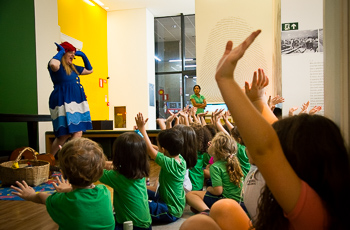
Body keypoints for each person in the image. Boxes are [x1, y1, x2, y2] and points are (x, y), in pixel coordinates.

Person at [181, 30, 350, 229]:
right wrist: (258, 101)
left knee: (197, 224)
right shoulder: (303, 186)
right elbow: (274, 134)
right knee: (219, 210)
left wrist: (225, 80)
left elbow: (267, 147)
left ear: (295, 160)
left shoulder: (312, 213)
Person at [11, 137, 115, 229]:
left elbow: (43, 197)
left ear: (63, 173)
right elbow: (84, 194)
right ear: (100, 171)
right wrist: (66, 189)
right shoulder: (104, 192)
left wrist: (31, 195)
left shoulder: (63, 200)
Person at [135, 113, 187, 223]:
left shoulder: (170, 163)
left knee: (138, 207)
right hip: (170, 203)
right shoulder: (180, 159)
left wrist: (142, 129)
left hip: (169, 211)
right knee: (140, 190)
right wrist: (140, 134)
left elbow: (151, 151)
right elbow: (156, 148)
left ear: (163, 149)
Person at [48, 41, 93, 156]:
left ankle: (71, 158)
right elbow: (53, 64)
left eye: (74, 54)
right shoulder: (57, 66)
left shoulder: (72, 68)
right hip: (62, 101)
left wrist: (83, 55)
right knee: (63, 134)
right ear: (64, 53)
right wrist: (61, 52)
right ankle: (49, 159)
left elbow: (90, 70)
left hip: (76, 102)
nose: (73, 56)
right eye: (70, 53)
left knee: (78, 132)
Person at [99, 132, 152, 230]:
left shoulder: (117, 177)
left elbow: (93, 170)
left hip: (132, 227)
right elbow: (113, 166)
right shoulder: (139, 173)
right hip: (147, 226)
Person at [186, 132, 244, 214]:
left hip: (227, 201)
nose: (209, 144)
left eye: (211, 143)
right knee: (195, 205)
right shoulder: (234, 162)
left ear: (216, 151)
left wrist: (209, 189)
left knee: (190, 195)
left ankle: (207, 212)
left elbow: (218, 191)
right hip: (240, 201)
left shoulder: (215, 167)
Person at [173, 124, 198, 193]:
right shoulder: (186, 155)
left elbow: (151, 150)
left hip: (180, 190)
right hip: (186, 186)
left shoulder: (174, 159)